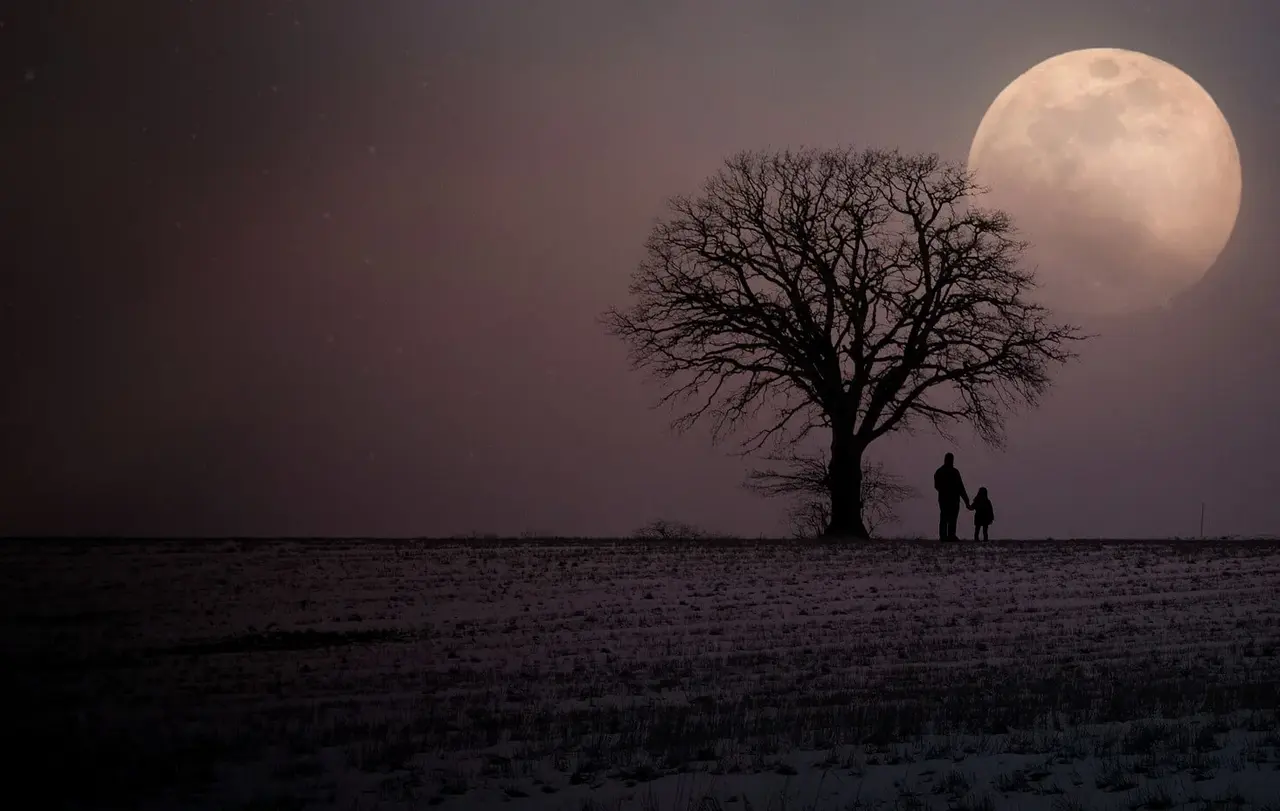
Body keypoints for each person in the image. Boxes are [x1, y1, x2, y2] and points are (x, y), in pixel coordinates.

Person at [933, 452, 970, 541]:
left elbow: (937, 486)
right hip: (951, 499)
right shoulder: (953, 472)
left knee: (946, 517)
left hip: (945, 499)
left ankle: (946, 536)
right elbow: (960, 487)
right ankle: (949, 536)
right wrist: (966, 501)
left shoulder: (940, 471)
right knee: (950, 517)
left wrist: (966, 500)